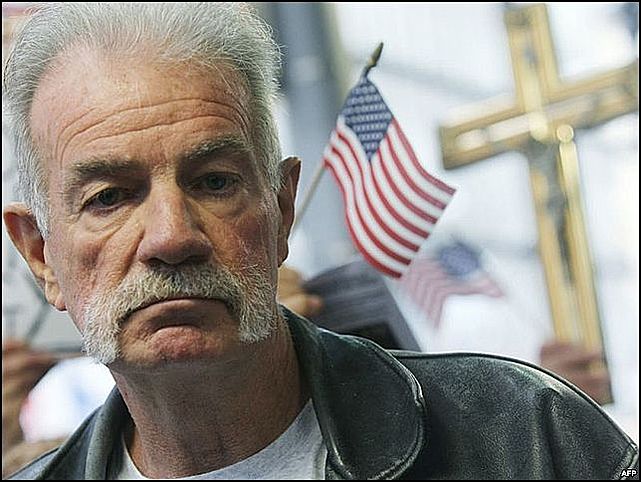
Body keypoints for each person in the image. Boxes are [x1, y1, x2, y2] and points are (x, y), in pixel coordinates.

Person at [1, 3, 637, 479]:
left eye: (215, 182)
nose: (171, 237)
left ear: (281, 209)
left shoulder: (525, 437)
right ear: (40, 256)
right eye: (109, 197)